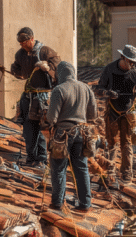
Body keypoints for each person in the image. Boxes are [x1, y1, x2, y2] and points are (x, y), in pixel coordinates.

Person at [41, 61, 97, 212]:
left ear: (60, 74)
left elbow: (52, 118)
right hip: (82, 133)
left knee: (59, 168)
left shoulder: (59, 90)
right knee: (81, 168)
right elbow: (93, 115)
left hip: (62, 134)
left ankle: (57, 203)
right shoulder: (86, 88)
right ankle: (85, 203)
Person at [10, 27, 60, 168]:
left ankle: (42, 159)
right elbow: (17, 69)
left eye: (25, 42)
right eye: (20, 43)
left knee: (41, 127)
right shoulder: (20, 54)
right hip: (28, 95)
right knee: (28, 128)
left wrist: (48, 67)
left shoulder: (45, 51)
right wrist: (15, 71)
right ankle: (31, 157)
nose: (22, 45)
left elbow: (59, 68)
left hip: (43, 96)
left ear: (32, 39)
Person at [97, 44, 136, 181]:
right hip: (112, 110)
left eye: (134, 62)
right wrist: (107, 93)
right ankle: (110, 170)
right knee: (111, 142)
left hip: (128, 112)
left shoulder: (135, 72)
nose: (132, 64)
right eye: (130, 61)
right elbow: (99, 89)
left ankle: (126, 172)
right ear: (122, 57)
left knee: (126, 143)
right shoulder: (109, 69)